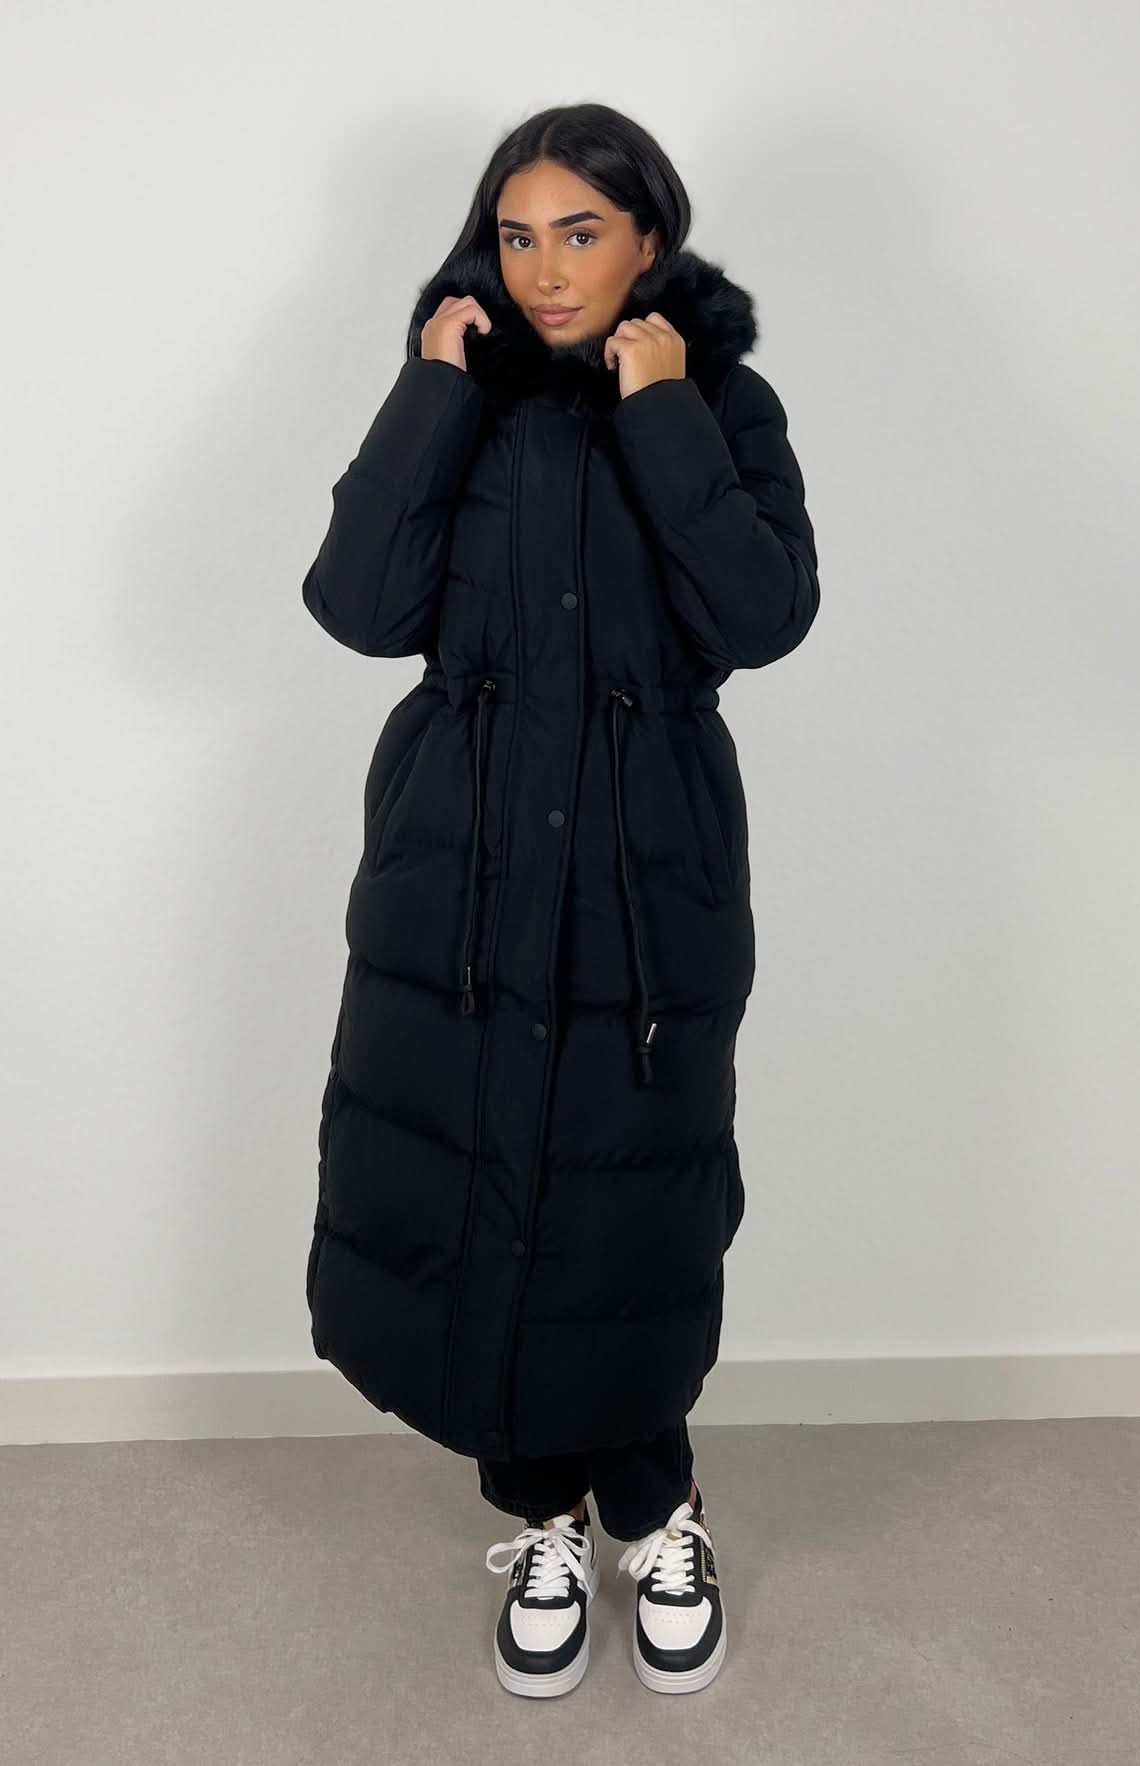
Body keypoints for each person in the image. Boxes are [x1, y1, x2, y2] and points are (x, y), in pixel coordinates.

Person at [301, 101, 820, 1699]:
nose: (544, 270)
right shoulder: (460, 395)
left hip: (645, 853)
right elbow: (357, 605)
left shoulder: (719, 400)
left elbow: (762, 614)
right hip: (456, 850)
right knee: (475, 1174)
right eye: (517, 235)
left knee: (624, 1192)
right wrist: (425, 392)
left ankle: (653, 1512)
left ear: (647, 237)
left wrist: (661, 413)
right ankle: (546, 1517)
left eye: (579, 233)